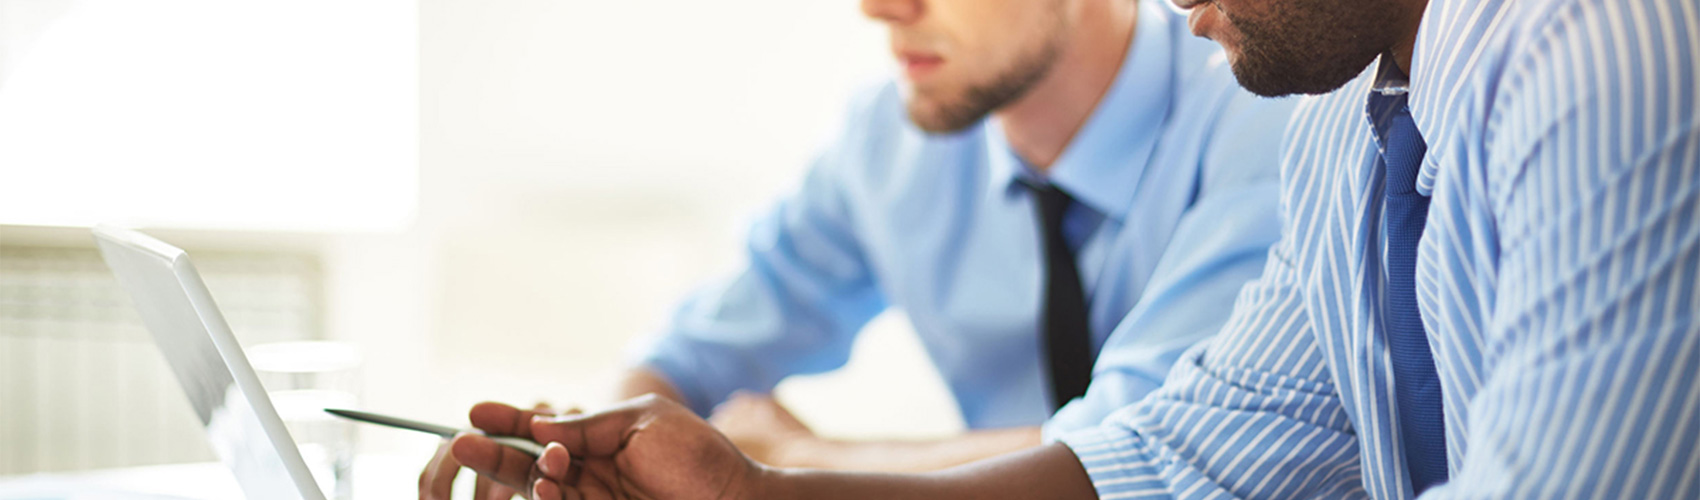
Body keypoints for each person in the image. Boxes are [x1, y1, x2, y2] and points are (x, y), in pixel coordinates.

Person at [448, 0, 1700, 494]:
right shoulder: (1338, 118)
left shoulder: (1585, 45)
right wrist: (756, 491)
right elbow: (1180, 455)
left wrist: (800, 459)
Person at [421, 0, 1295, 495]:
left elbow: (1144, 453)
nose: (882, 8)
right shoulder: (894, 139)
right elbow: (685, 358)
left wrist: (792, 464)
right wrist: (582, 456)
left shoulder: (1271, 115)